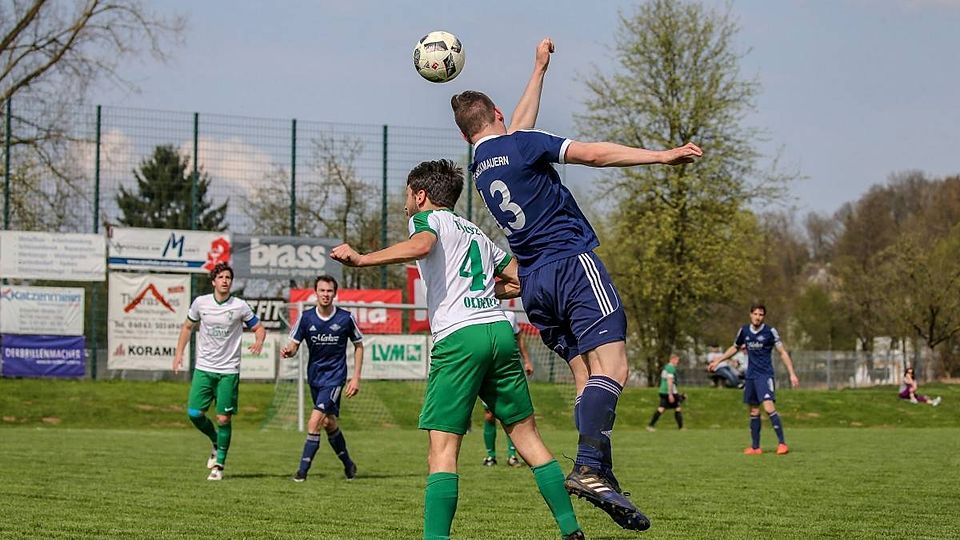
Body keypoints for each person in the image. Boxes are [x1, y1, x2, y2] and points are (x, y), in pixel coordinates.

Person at [450, 37, 701, 531]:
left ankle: (599, 471)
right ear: (497, 115)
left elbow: (515, 128)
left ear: (465, 135)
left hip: (534, 284)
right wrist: (661, 156)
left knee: (587, 375)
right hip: (571, 266)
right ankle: (589, 467)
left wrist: (538, 69)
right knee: (616, 366)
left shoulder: (480, 166)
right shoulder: (522, 144)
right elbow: (594, 155)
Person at [330, 159, 584, 540]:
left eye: (407, 195)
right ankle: (571, 530)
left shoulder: (426, 221)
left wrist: (363, 259)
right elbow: (518, 279)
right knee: (529, 439)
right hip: (499, 332)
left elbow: (422, 245)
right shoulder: (475, 231)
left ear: (421, 196)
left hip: (460, 337)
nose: (405, 204)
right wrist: (482, 292)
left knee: (442, 451)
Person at [173, 262, 266, 481]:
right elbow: (187, 327)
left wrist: (259, 340)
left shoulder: (239, 306)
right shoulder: (200, 303)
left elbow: (259, 327)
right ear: (213, 281)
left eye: (228, 278)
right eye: (221, 277)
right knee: (194, 414)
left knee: (223, 418)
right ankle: (215, 440)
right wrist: (179, 353)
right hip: (204, 368)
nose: (225, 281)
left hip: (228, 371)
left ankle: (219, 465)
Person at [281, 274, 364, 482]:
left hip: (335, 378)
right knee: (328, 423)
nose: (325, 294)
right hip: (315, 378)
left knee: (314, 422)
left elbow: (359, 345)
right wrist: (289, 351)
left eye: (329, 291)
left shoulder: (345, 318)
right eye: (322, 290)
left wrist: (355, 378)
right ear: (315, 293)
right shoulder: (306, 318)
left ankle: (301, 472)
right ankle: (349, 465)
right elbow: (294, 344)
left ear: (335, 294)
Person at [708, 304, 799, 455]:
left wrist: (792, 373)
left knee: (769, 408)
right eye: (755, 314)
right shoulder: (744, 331)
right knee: (754, 410)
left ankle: (782, 444)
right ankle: (756, 447)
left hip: (765, 375)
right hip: (750, 376)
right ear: (750, 315)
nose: (758, 317)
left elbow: (782, 352)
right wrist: (718, 361)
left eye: (761, 315)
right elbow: (735, 347)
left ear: (764, 317)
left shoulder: (770, 331)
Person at [482, 309, 534, 467]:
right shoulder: (480, 314)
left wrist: (527, 361)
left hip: (508, 371)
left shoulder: (509, 316)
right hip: (488, 371)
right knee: (489, 415)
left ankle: (512, 456)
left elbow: (519, 339)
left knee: (512, 413)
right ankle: (490, 456)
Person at [647, 355, 685, 431]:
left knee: (668, 408)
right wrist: (670, 394)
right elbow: (669, 381)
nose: (678, 362)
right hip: (668, 391)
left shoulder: (666, 367)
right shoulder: (671, 368)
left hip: (663, 391)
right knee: (675, 407)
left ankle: (650, 426)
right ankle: (680, 428)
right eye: (677, 360)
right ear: (672, 360)